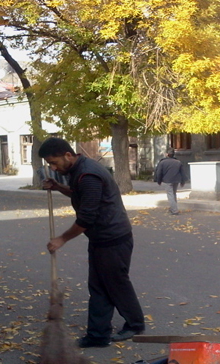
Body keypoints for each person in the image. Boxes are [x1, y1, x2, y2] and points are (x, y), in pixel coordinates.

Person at [38, 137, 145, 348]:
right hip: (101, 237)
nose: (52, 167)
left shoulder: (88, 175)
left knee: (115, 284)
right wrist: (59, 186)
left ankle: (135, 324)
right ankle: (98, 335)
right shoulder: (78, 171)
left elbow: (87, 218)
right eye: (49, 164)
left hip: (113, 238)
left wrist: (62, 239)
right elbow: (79, 193)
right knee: (98, 286)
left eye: (54, 162)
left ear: (68, 155)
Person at [155, 148, 187, 215]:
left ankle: (174, 210)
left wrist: (159, 180)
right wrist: (183, 181)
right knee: (173, 194)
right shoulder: (178, 162)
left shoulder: (162, 162)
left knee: (170, 195)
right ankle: (173, 207)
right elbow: (182, 172)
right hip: (176, 180)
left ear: (167, 154)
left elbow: (159, 172)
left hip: (167, 180)